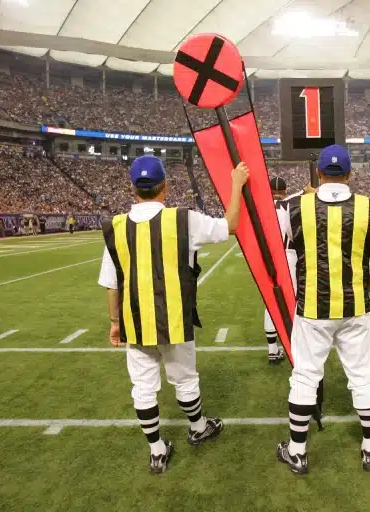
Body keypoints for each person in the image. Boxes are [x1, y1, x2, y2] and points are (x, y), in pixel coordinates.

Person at [98, 155, 249, 474]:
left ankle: (156, 451)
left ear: (132, 189)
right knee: (185, 379)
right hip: (175, 318)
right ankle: (197, 427)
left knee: (142, 386)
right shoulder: (183, 219)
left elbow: (112, 285)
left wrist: (115, 323)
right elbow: (231, 225)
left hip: (136, 321)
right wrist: (236, 184)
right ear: (164, 187)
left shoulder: (116, 227)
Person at [275, 145, 370, 474]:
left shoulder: (294, 206)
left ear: (318, 174)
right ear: (350, 173)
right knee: (362, 376)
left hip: (312, 306)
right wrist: (367, 283)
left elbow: (282, 248)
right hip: (355, 305)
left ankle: (297, 451)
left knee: (305, 376)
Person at [261, 176, 297, 365]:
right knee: (293, 303)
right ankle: (292, 347)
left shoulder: (261, 206)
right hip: (289, 257)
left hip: (267, 259)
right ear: (285, 190)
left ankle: (272, 350)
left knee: (270, 304)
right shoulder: (290, 204)